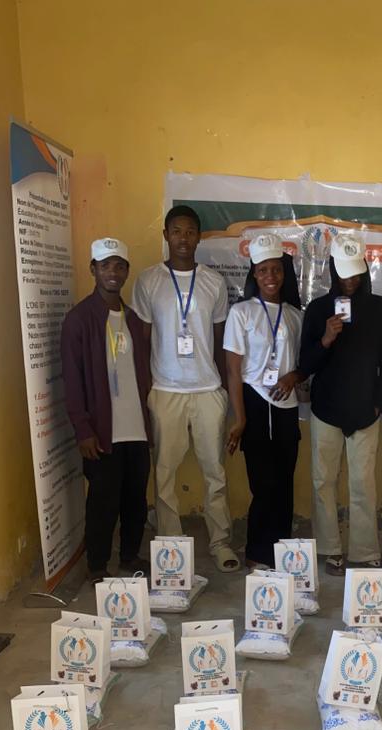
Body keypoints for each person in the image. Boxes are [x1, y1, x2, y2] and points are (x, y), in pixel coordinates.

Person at [132, 205, 240, 572]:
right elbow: (143, 339)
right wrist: (146, 392)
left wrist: (224, 391)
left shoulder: (212, 282)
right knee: (163, 473)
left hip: (207, 389)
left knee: (215, 473)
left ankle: (221, 541)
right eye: (176, 231)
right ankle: (172, 548)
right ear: (166, 235)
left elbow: (221, 337)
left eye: (190, 231)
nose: (183, 238)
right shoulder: (148, 281)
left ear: (199, 236)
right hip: (165, 390)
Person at [298, 233, 382, 575]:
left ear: (365, 271)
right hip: (326, 410)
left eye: (356, 273)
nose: (350, 281)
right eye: (343, 273)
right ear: (331, 270)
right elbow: (305, 365)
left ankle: (364, 550)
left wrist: (377, 404)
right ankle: (330, 549)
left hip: (364, 413)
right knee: (322, 481)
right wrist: (325, 339)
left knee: (362, 483)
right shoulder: (317, 310)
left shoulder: (380, 309)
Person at [60, 237, 152, 584]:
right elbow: (72, 380)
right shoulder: (79, 320)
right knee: (102, 502)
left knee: (135, 500)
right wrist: (83, 429)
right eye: (105, 266)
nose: (112, 272)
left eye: (119, 266)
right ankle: (97, 565)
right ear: (93, 270)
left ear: (126, 271)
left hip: (136, 428)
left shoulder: (133, 318)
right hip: (102, 431)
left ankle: (129, 556)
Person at [224, 234, 303, 568]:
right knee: (263, 484)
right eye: (263, 270)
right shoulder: (241, 313)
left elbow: (303, 364)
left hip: (287, 407)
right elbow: (233, 370)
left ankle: (281, 552)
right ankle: (258, 552)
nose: (271, 276)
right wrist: (240, 420)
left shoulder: (295, 316)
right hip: (255, 405)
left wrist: (294, 377)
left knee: (285, 483)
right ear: (254, 274)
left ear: (284, 275)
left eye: (277, 270)